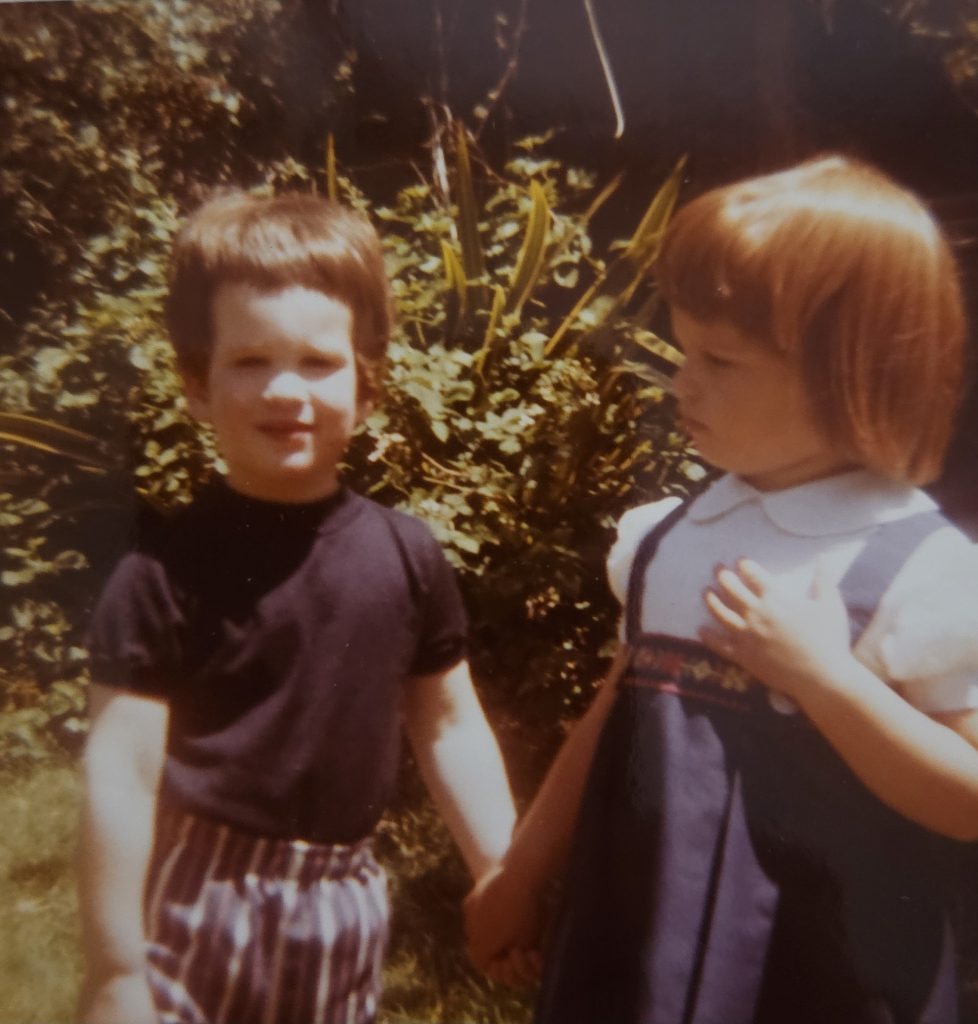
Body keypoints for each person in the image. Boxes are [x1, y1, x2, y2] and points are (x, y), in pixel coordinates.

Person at [465, 155, 978, 1024]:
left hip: (815, 976)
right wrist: (520, 872)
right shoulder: (673, 536)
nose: (682, 381)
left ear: (847, 376)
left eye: (720, 360)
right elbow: (615, 710)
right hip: (644, 942)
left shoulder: (917, 567)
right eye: (682, 350)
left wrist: (824, 679)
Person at [76, 192, 517, 1024]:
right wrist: (113, 967)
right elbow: (121, 773)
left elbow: (450, 727)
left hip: (341, 904)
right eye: (250, 361)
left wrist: (500, 870)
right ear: (197, 385)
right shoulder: (162, 572)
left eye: (318, 361)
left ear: (368, 386)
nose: (286, 389)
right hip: (191, 902)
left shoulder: (405, 556)